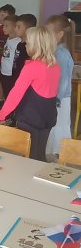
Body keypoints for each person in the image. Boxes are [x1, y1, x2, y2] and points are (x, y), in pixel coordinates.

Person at [0, 27, 60, 162]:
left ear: (36, 46)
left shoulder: (32, 67)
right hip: (48, 116)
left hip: (30, 117)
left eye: (28, 43)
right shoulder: (55, 66)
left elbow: (15, 94)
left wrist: (2, 114)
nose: (25, 45)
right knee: (39, 154)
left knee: (30, 156)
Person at [46, 15, 75, 158]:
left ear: (60, 34)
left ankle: (60, 154)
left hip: (60, 99)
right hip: (57, 97)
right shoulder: (56, 50)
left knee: (59, 125)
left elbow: (63, 81)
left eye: (48, 32)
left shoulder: (62, 54)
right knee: (55, 125)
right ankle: (54, 152)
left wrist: (56, 99)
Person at [12, 14, 37, 82]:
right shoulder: (19, 44)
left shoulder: (30, 48)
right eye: (15, 26)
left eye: (18, 27)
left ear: (28, 30)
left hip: (23, 79)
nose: (15, 29)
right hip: (15, 76)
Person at [0, 15, 20, 100]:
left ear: (15, 27)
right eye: (3, 25)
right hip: (4, 71)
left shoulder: (18, 41)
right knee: (6, 92)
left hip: (11, 73)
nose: (3, 28)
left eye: (6, 26)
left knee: (10, 93)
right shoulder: (8, 38)